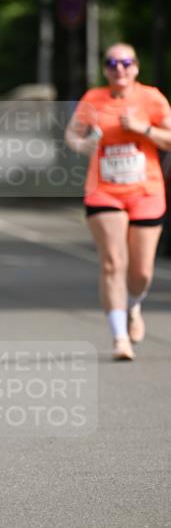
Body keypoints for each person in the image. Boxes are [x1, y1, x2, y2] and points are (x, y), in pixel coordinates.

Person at [65, 43, 171, 360]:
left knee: (141, 273)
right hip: (104, 191)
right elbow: (72, 136)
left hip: (146, 191)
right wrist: (85, 144)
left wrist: (143, 129)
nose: (119, 68)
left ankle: (133, 305)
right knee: (112, 262)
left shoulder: (151, 98)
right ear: (105, 69)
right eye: (112, 63)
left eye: (125, 62)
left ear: (136, 67)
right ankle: (119, 337)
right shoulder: (93, 99)